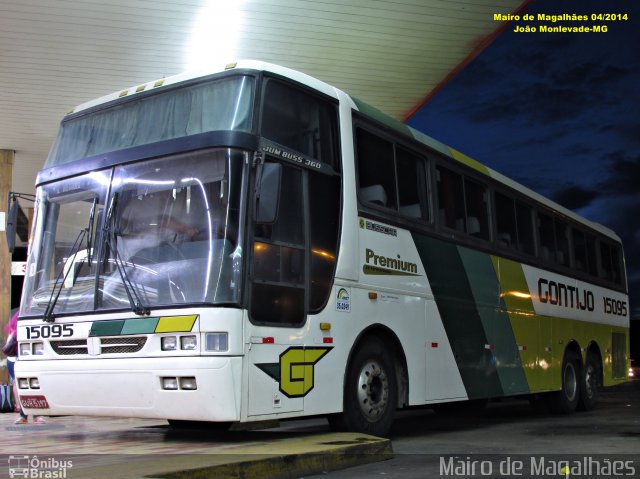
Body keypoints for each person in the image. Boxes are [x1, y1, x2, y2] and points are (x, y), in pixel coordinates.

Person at [4, 310, 46, 425]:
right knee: (27, 386)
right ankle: (28, 415)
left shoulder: (22, 314)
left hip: (24, 355)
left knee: (28, 386)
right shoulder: (24, 314)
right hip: (20, 356)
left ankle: (27, 415)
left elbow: (11, 330)